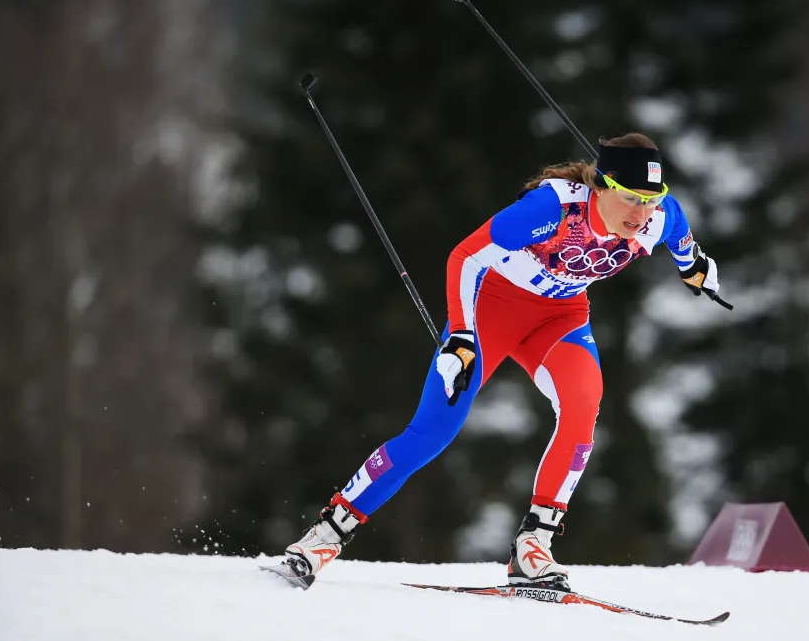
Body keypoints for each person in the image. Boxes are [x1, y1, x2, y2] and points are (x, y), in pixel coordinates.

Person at [275, 132, 721, 591]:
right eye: (630, 199)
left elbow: (683, 239)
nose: (641, 212)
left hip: (561, 316)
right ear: (603, 186)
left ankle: (533, 549)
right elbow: (465, 257)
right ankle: (323, 537)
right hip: (491, 309)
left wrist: (694, 267)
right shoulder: (550, 211)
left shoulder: (658, 218)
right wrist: (461, 337)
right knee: (434, 432)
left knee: (583, 408)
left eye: (651, 199)